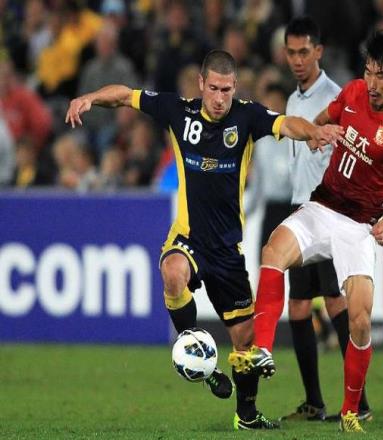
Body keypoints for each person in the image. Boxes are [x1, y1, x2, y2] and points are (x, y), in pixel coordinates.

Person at [65, 49, 340, 431]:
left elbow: (286, 123)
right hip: (189, 237)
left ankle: (247, 414)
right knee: (172, 272)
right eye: (213, 88)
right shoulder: (178, 111)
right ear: (201, 84)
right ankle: (195, 348)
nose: (220, 98)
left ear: (235, 87)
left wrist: (314, 132)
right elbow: (126, 95)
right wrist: (90, 98)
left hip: (227, 250)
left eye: (226, 90)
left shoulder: (247, 117)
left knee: (245, 343)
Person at [229, 32, 383, 433]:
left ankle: (351, 410)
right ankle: (262, 349)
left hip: (358, 226)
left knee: (360, 321)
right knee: (272, 251)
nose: (371, 83)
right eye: (368, 72)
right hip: (322, 205)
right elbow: (322, 120)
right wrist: (318, 136)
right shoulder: (351, 93)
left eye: (380, 75)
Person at [279, 16, 371, 423]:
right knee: (298, 306)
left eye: (304, 52)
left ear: (319, 51)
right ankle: (314, 402)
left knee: (336, 301)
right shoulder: (293, 100)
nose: (297, 60)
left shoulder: (337, 98)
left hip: (330, 211)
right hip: (300, 210)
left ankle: (359, 404)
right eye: (291, 52)